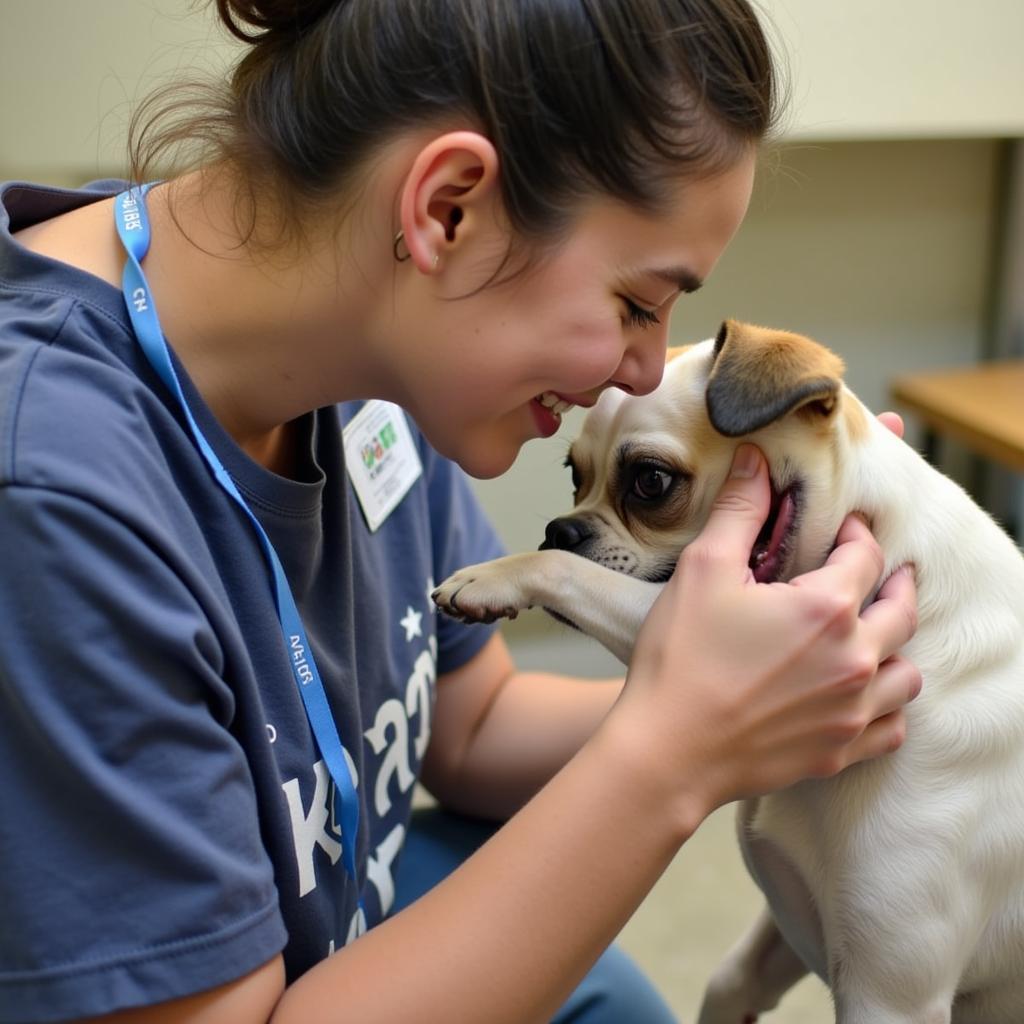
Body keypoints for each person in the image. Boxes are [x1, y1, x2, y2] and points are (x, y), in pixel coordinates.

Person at [0, 1, 921, 1021]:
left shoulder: (351, 332)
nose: (647, 367)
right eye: (636, 303)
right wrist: (676, 750)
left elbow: (466, 722)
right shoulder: (51, 491)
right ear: (447, 208)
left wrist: (754, 694)